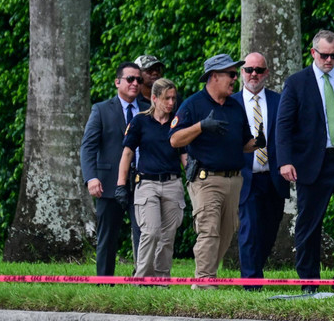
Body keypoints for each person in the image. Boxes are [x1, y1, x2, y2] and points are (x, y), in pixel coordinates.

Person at [274, 30, 334, 294]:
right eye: (324, 55)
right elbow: (283, 125)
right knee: (309, 223)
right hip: (310, 162)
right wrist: (285, 161)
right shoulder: (297, 83)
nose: (329, 60)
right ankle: (309, 281)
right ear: (313, 52)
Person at [169, 54, 261, 288]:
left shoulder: (234, 106)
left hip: (234, 180)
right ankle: (204, 281)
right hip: (205, 179)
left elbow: (244, 142)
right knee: (209, 229)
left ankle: (207, 276)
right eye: (231, 74)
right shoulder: (193, 104)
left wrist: (260, 142)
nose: (234, 79)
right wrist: (201, 126)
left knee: (227, 231)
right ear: (213, 77)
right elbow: (174, 139)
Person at [115, 78, 186, 281]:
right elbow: (127, 153)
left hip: (172, 182)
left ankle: (162, 280)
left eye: (173, 98)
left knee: (167, 236)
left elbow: (184, 153)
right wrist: (121, 184)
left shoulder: (177, 122)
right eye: (167, 98)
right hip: (147, 183)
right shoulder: (140, 121)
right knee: (151, 232)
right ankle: (142, 278)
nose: (171, 102)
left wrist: (190, 173)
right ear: (154, 98)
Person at [80, 61, 143, 278]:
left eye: (139, 80)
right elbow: (88, 146)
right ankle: (104, 282)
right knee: (107, 236)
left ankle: (143, 279)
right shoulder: (101, 109)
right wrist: (91, 178)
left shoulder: (147, 109)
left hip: (142, 181)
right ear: (117, 82)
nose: (135, 83)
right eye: (130, 79)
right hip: (108, 182)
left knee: (144, 233)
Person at [232, 52, 289, 289]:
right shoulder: (231, 103)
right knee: (249, 229)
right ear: (241, 73)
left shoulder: (280, 101)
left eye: (258, 70)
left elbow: (288, 136)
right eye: (248, 70)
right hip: (245, 176)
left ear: (266, 73)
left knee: (268, 231)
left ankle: (256, 269)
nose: (253, 74)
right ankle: (251, 282)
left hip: (273, 177)